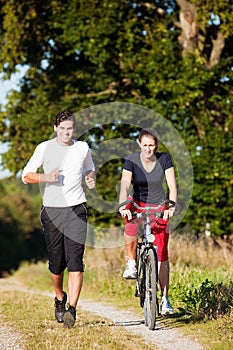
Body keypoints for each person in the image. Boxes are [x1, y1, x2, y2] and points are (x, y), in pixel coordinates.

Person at [22, 111, 95, 328]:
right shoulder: (44, 148)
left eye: (69, 128)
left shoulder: (82, 148)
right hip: (52, 211)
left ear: (74, 129)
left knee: (76, 262)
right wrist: (46, 177)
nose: (66, 132)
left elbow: (89, 168)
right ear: (55, 128)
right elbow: (26, 175)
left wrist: (90, 177)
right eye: (62, 128)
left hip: (76, 209)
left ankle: (72, 309)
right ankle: (59, 297)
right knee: (56, 264)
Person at [119, 128, 177, 316]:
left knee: (162, 254)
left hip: (159, 204)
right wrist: (123, 204)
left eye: (151, 145)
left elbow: (172, 185)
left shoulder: (164, 159)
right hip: (137, 202)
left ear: (156, 145)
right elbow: (125, 183)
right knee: (129, 222)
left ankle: (165, 299)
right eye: (144, 145)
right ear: (139, 145)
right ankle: (131, 263)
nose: (148, 149)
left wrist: (171, 206)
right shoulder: (132, 160)